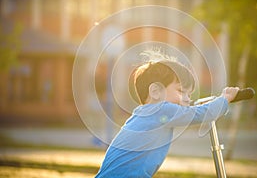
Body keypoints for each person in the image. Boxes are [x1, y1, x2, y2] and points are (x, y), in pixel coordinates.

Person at [95, 52, 239, 178]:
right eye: (181, 91)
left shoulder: (144, 113)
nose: (188, 99)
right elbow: (199, 114)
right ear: (156, 92)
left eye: (189, 94)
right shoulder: (161, 110)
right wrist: (225, 99)